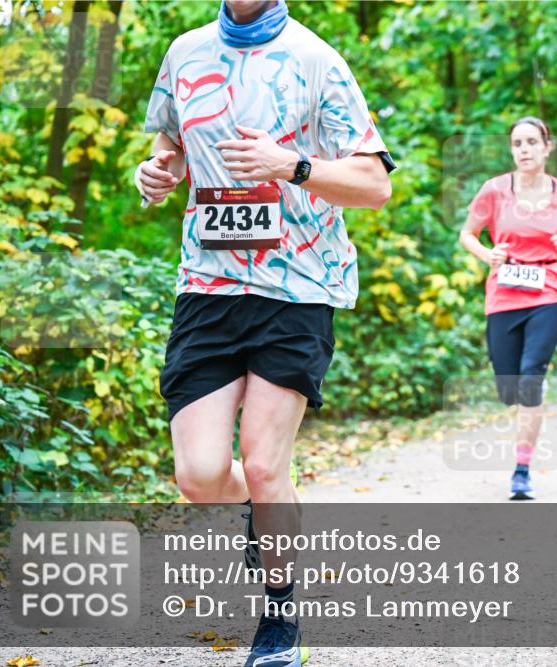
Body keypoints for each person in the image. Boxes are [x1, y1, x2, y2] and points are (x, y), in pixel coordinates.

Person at [137, 1, 395, 665]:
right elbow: (170, 146)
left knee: (261, 461)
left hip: (298, 286)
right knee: (198, 475)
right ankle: (268, 503)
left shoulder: (317, 59)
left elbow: (374, 185)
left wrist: (292, 166)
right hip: (209, 287)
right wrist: (158, 170)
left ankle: (280, 617)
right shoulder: (185, 53)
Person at [459, 116, 557, 500]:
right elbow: (467, 234)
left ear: (547, 148)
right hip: (505, 291)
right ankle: (525, 392)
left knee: (531, 379)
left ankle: (521, 470)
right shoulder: (494, 191)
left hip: (548, 290)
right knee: (509, 387)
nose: (525, 150)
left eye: (532, 142)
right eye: (518, 143)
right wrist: (488, 254)